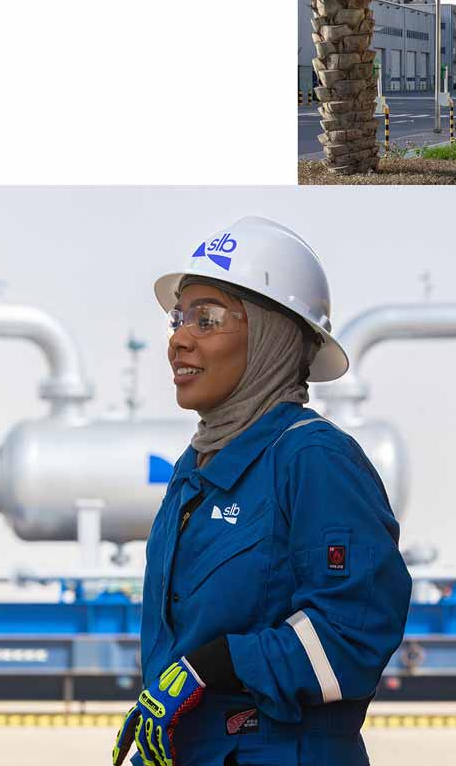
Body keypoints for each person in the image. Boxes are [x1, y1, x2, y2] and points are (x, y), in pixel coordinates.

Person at [113, 216, 412, 766]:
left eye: (207, 319)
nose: (178, 339)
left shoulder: (312, 460)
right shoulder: (193, 472)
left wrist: (219, 664)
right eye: (179, 318)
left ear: (273, 337)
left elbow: (355, 632)